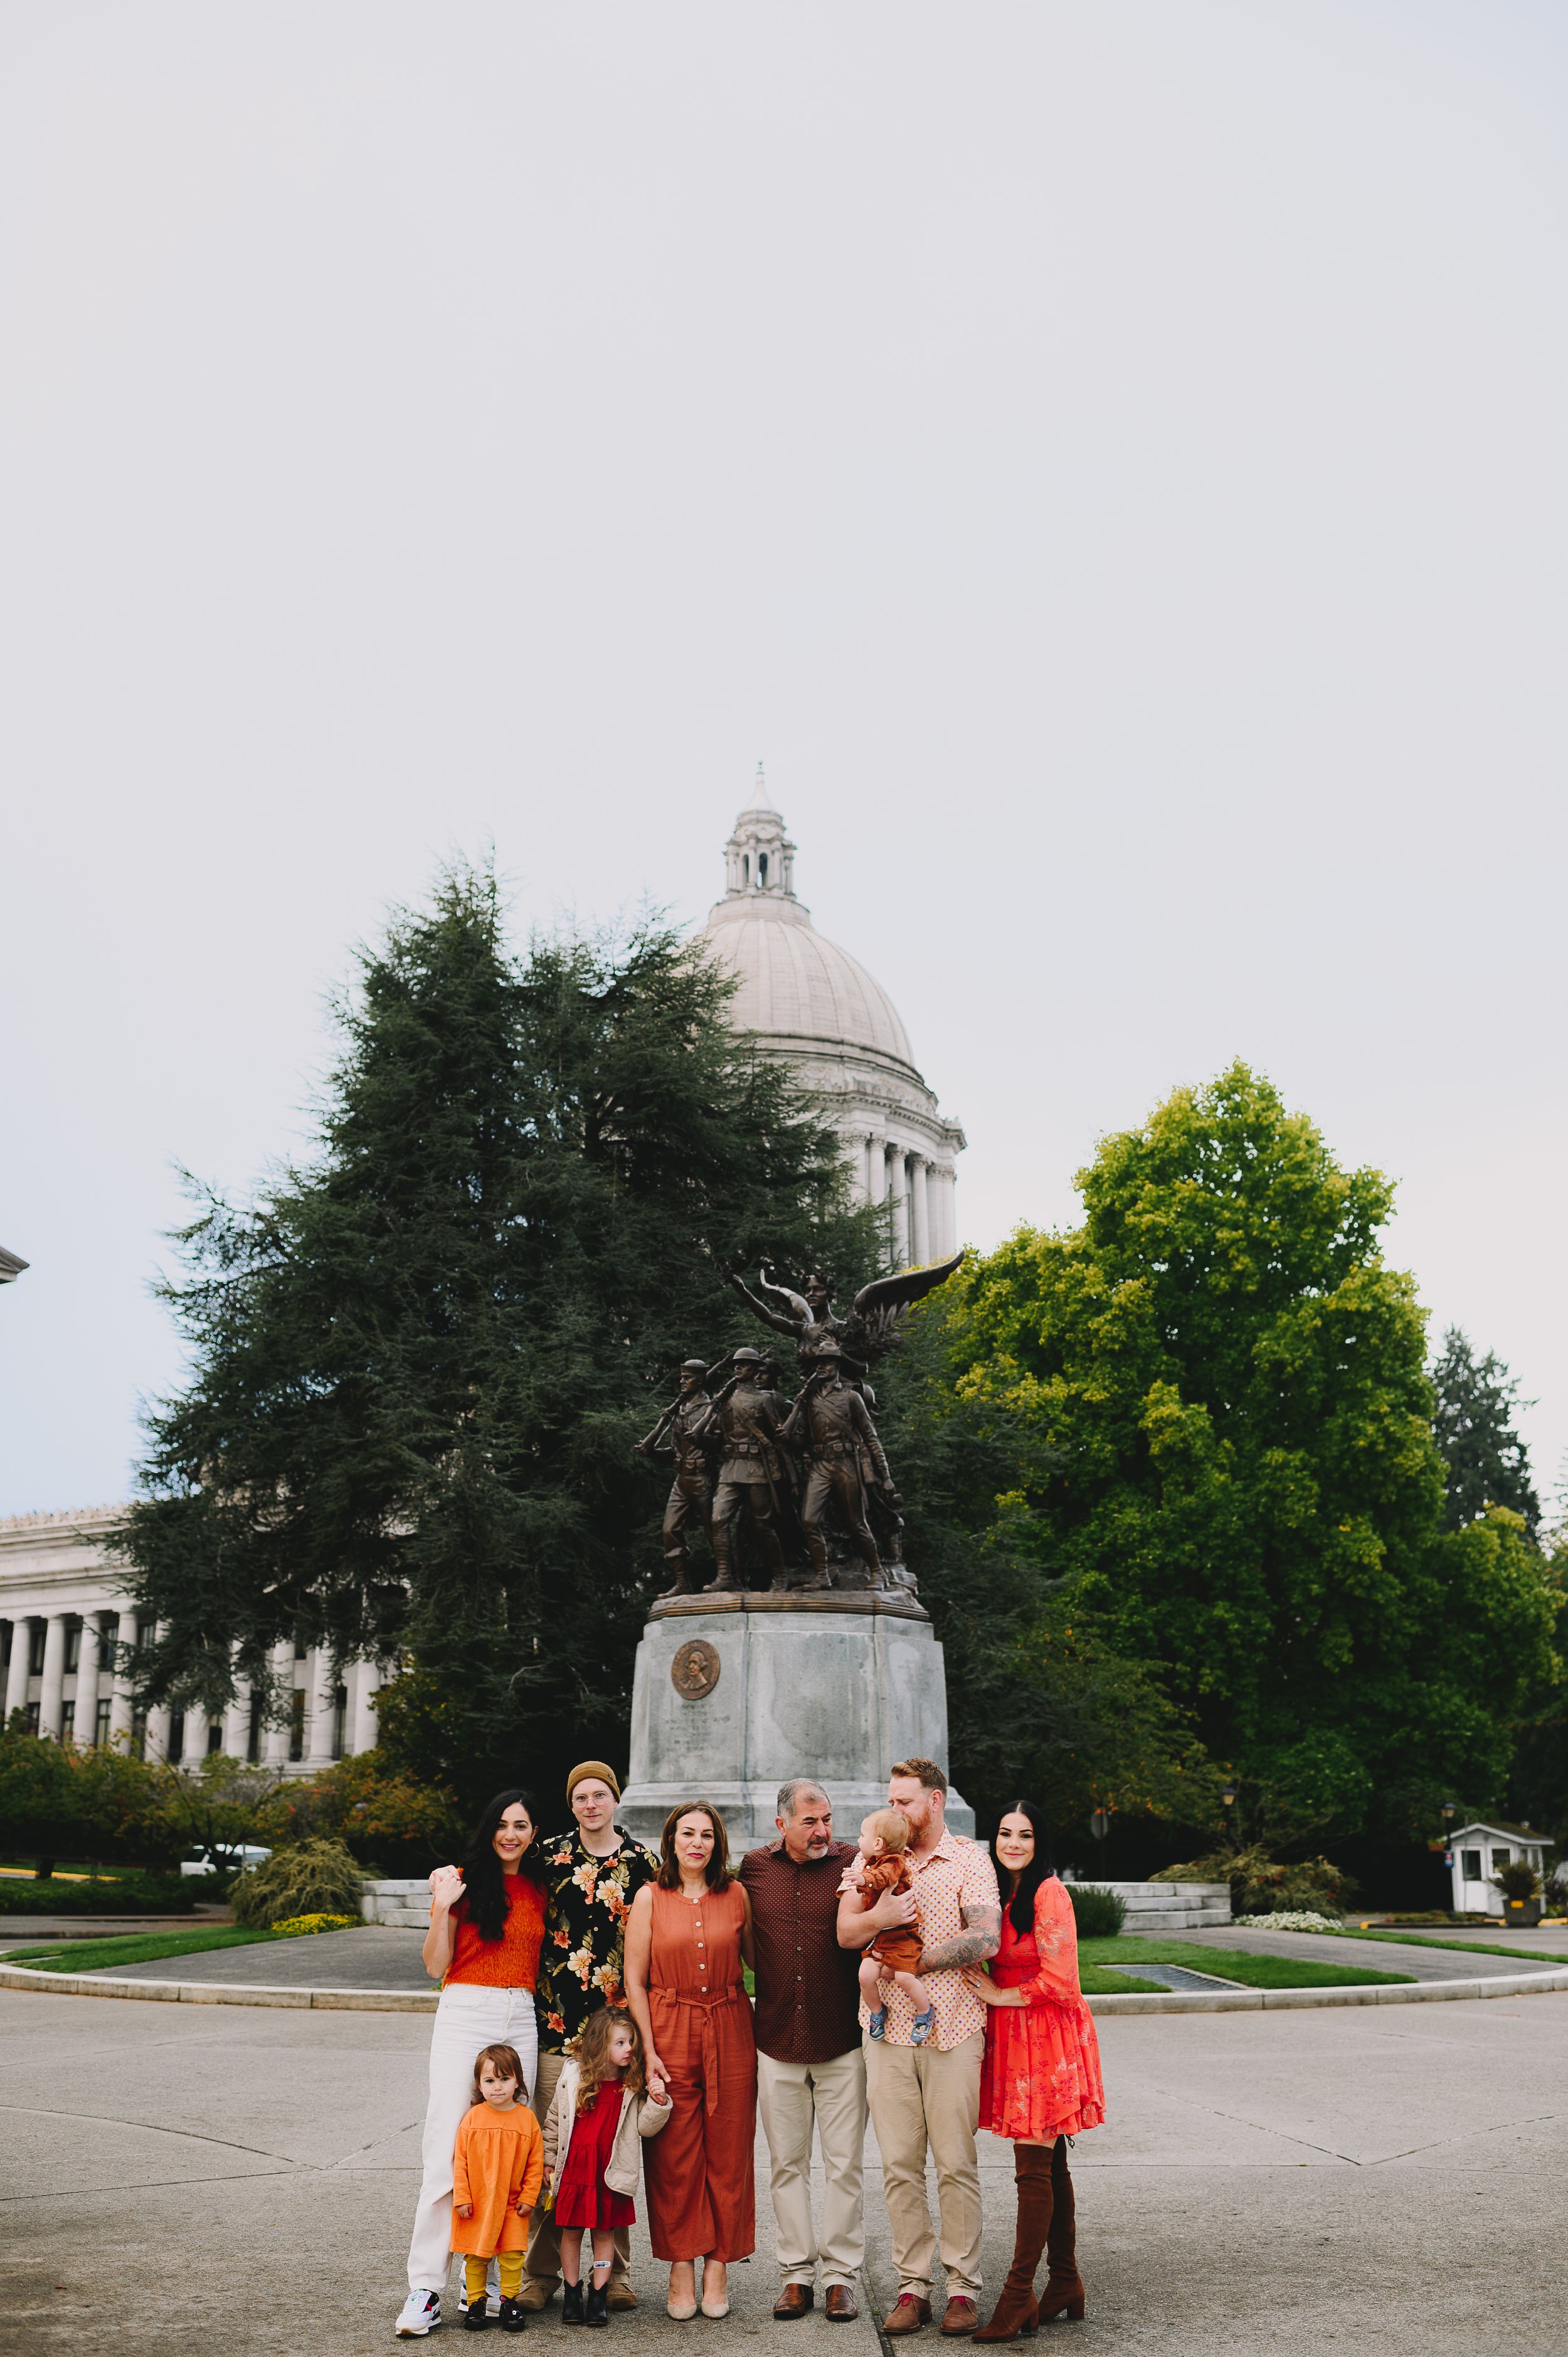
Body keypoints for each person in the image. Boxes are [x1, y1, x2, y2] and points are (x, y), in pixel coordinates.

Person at [837, 1758, 1000, 2339]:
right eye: (892, 1800)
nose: (895, 1809)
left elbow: (986, 1935)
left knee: (956, 2163)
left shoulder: (968, 1859)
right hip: (886, 2032)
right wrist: (881, 1916)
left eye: (905, 1800)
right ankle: (914, 2286)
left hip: (953, 2028)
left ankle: (963, 2286)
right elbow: (846, 1933)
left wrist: (916, 1962)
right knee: (900, 2166)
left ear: (935, 1801)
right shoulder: (871, 1858)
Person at [397, 1790, 549, 2339]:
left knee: (508, 2147)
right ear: (490, 1828)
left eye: (522, 1825)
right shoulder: (460, 1879)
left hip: (520, 2014)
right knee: (446, 2146)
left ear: (534, 1832)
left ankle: (479, 2278)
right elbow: (435, 1964)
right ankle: (426, 2287)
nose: (511, 1834)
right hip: (466, 2007)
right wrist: (442, 1905)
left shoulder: (537, 1885)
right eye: (503, 1824)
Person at [522, 1763, 660, 2316]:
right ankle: (541, 2272)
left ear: (615, 1799)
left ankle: (617, 2275)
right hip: (557, 2028)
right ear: (572, 1803)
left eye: (600, 1794)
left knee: (613, 2157)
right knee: (556, 2155)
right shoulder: (548, 1855)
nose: (591, 1804)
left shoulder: (641, 1862)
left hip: (617, 2037)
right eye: (580, 1796)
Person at [964, 1802, 1104, 2341]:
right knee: (1051, 2163)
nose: (1013, 1842)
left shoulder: (1049, 1892)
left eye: (1024, 1834)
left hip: (1046, 2036)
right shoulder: (999, 1890)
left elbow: (1063, 1979)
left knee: (1032, 2168)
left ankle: (1017, 2295)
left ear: (1039, 1841)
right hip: (1014, 2036)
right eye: (1004, 1833)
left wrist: (1001, 1992)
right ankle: (1066, 2281)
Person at [739, 1779, 868, 2324]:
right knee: (786, 2165)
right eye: (810, 1821)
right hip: (775, 2039)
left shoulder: (854, 1863)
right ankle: (796, 2274)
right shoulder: (753, 1869)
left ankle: (840, 2276)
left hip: (842, 2038)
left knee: (844, 2165)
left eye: (827, 1819)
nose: (822, 1830)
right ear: (782, 1824)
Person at [623, 1801, 757, 2320]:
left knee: (729, 2151)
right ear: (671, 1840)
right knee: (675, 2154)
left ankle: (719, 2263)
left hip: (729, 2023)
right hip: (670, 2024)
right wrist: (649, 2049)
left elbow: (758, 1962)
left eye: (706, 1834)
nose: (696, 1842)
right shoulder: (649, 1896)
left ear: (717, 1843)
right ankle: (681, 2262)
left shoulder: (737, 1894)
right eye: (687, 1833)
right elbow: (635, 1979)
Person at [540, 2007, 672, 2327]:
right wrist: (547, 2158)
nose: (629, 2049)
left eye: (631, 2042)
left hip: (608, 2172)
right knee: (570, 2233)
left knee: (604, 2233)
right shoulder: (573, 2077)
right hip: (574, 2168)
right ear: (601, 2046)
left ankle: (598, 2296)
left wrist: (658, 2103)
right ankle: (573, 2294)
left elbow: (645, 2128)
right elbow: (555, 2120)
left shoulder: (632, 2085)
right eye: (620, 2043)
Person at [450, 2043, 546, 2336]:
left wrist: (530, 2197)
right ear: (479, 2084)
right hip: (477, 2204)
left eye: (505, 2079)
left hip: (512, 2204)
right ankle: (476, 2302)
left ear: (518, 2080)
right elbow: (461, 2161)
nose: (498, 2087)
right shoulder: (474, 2118)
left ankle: (510, 2302)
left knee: (512, 2255)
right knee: (477, 2256)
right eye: (489, 2081)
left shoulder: (526, 2119)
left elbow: (535, 2162)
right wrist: (462, 2197)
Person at [850, 1810, 935, 2043]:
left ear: (877, 1843)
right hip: (881, 1939)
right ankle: (877, 2012)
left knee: (905, 1978)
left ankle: (924, 2012)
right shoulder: (870, 1863)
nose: (858, 1840)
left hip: (902, 1938)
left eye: (861, 1835)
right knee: (865, 1975)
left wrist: (862, 1879)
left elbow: (883, 1878)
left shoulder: (894, 1862)